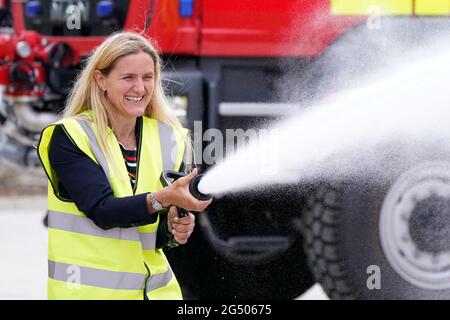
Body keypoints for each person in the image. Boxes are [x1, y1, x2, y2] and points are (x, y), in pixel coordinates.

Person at [37, 31, 212, 300]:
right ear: (101, 79)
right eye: (128, 77)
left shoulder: (169, 138)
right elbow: (103, 212)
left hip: (153, 294)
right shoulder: (72, 136)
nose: (140, 88)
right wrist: (161, 199)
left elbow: (146, 235)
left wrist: (172, 228)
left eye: (147, 77)